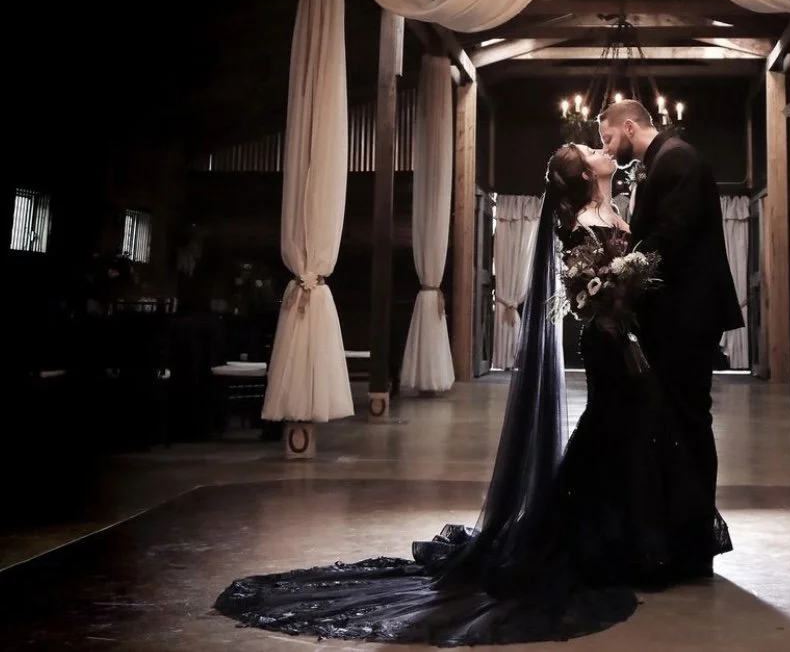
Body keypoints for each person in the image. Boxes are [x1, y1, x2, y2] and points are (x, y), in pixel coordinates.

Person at [214, 142, 726, 645]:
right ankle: (594, 543)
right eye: (587, 149)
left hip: (624, 337)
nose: (599, 149)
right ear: (582, 174)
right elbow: (588, 284)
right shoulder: (582, 224)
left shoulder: (614, 208)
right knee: (615, 428)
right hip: (606, 340)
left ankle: (628, 542)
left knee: (628, 433)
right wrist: (614, 299)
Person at [598, 100, 743, 581]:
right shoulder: (660, 161)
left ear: (629, 125)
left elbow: (671, 236)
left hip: (688, 316)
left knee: (689, 420)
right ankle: (680, 534)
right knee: (676, 420)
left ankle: (696, 540)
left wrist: (623, 270)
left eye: (608, 138)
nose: (607, 147)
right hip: (675, 316)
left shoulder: (676, 158)